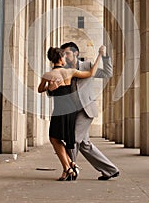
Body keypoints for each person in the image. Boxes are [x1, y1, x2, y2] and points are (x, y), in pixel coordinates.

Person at [38, 46, 102, 181]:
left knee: (54, 138)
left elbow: (40, 89)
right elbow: (90, 73)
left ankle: (68, 167)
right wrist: (99, 56)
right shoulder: (70, 72)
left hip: (59, 109)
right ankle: (69, 166)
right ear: (61, 58)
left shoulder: (47, 75)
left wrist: (49, 87)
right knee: (64, 139)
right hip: (71, 109)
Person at [58, 42, 119, 180]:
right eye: (63, 54)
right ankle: (110, 170)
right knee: (85, 144)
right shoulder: (65, 69)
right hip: (73, 112)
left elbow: (107, 73)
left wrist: (104, 57)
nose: (65, 56)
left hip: (86, 110)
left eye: (67, 53)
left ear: (76, 53)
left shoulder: (88, 66)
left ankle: (70, 170)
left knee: (72, 139)